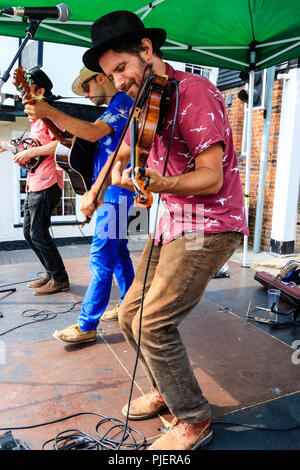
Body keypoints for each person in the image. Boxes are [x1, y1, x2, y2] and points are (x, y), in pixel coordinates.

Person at [78, 11, 249, 450]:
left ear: (147, 50)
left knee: (154, 322)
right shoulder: (147, 101)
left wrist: (159, 184)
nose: (117, 81)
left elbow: (210, 177)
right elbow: (140, 165)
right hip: (173, 223)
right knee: (132, 313)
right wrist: (132, 178)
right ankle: (166, 389)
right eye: (108, 75)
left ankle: (193, 418)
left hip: (210, 223)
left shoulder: (195, 93)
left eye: (121, 68)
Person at [24, 66, 135, 343]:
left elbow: (94, 133)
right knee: (119, 253)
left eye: (85, 87)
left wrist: (49, 112)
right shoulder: (109, 110)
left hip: (117, 191)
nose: (85, 94)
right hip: (111, 192)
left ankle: (87, 325)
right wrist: (48, 119)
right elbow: (67, 140)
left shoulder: (122, 102)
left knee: (100, 257)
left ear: (100, 77)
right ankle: (130, 303)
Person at [0, 66, 69, 295]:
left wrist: (29, 154)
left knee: (38, 233)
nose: (23, 99)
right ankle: (50, 273)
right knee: (29, 233)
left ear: (39, 90)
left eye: (27, 92)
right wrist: (18, 152)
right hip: (34, 182)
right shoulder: (35, 120)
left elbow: (61, 143)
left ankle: (60, 279)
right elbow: (34, 150)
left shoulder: (50, 113)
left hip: (48, 182)